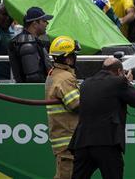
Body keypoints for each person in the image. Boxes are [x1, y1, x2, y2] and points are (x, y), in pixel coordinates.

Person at [70, 56, 135, 179]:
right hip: (107, 142)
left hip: (82, 142)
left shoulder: (86, 83)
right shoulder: (119, 82)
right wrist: (128, 83)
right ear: (119, 72)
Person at [46, 36, 81, 179]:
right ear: (67, 59)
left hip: (63, 138)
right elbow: (77, 105)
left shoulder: (54, 74)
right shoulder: (65, 78)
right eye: (73, 55)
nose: (75, 58)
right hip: (68, 139)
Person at [8, 5, 53, 83]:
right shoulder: (27, 44)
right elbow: (33, 78)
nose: (47, 23)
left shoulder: (31, 41)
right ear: (35, 24)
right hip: (33, 92)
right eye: (44, 21)